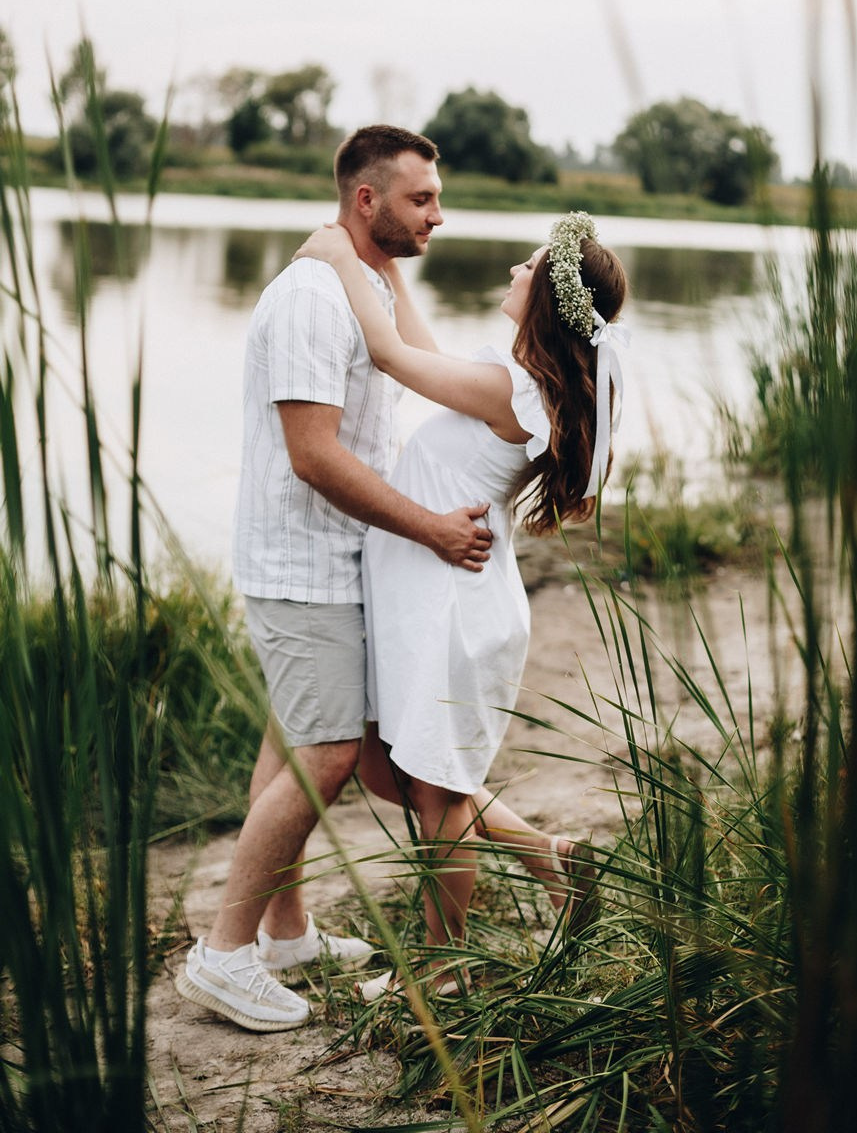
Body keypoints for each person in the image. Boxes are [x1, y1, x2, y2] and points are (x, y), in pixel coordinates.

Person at [176, 126, 493, 1033]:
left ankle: (284, 936)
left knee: (291, 744)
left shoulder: (363, 286)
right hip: (303, 563)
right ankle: (223, 955)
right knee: (326, 754)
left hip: (337, 560)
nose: (438, 213)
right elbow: (313, 457)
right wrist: (430, 527)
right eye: (421, 198)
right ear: (368, 201)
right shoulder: (314, 301)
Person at [293, 209, 628, 998]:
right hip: (434, 597)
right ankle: (550, 858)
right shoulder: (508, 383)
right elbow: (424, 353)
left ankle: (440, 972)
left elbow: (389, 354)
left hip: (451, 606)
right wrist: (389, 267)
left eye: (528, 266)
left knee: (434, 791)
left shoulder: (511, 390)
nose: (514, 271)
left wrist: (342, 254)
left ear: (546, 296)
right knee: (391, 771)